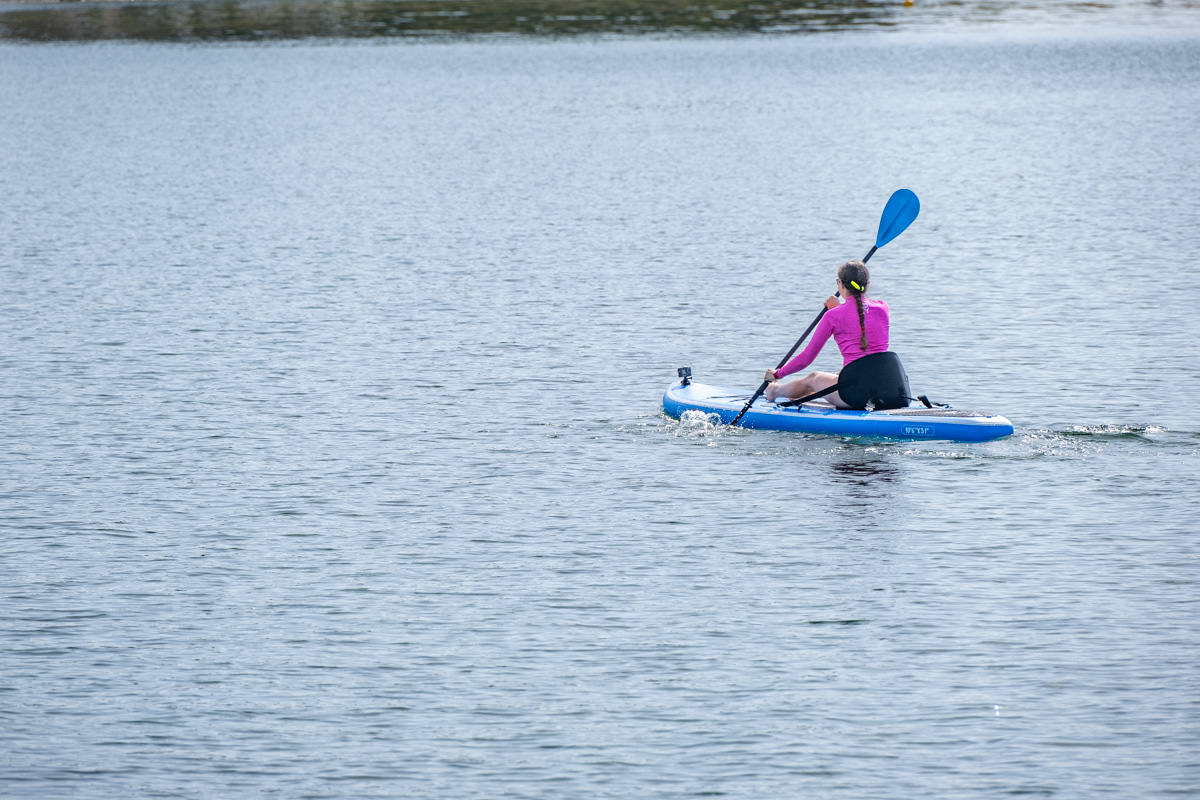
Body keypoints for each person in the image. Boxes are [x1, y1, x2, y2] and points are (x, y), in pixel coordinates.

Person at [763, 260, 889, 408]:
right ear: (867, 284)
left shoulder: (833, 316)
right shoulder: (883, 308)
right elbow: (859, 317)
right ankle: (800, 394)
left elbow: (806, 358)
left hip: (854, 396)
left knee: (813, 379)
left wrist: (777, 374)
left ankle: (773, 390)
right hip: (882, 390)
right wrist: (840, 308)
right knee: (839, 374)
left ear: (841, 284)